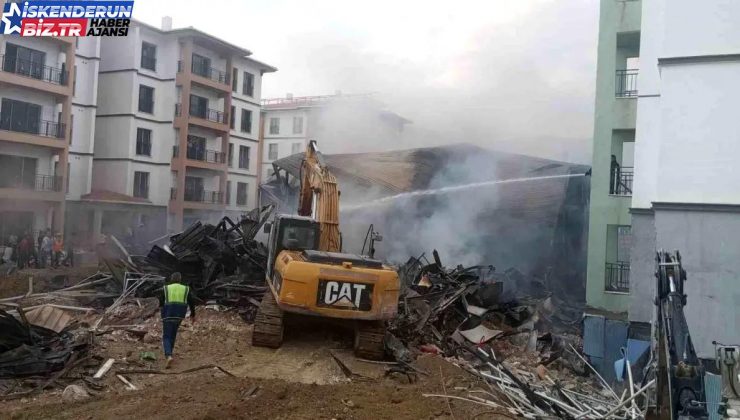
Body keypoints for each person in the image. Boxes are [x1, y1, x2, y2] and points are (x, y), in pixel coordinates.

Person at [157, 272, 197, 368]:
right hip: (179, 314)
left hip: (168, 313)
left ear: (171, 279)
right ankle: (170, 353)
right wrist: (193, 314)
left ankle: (168, 355)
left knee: (166, 336)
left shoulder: (166, 288)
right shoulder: (186, 288)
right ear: (180, 279)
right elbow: (191, 301)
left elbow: (161, 301)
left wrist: (161, 309)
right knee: (173, 334)